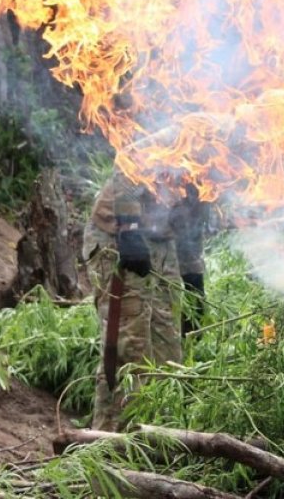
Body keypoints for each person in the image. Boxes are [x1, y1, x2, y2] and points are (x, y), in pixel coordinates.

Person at [83, 165, 208, 431]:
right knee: (130, 347)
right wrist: (128, 228)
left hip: (163, 242)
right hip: (119, 239)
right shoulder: (188, 126)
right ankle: (111, 443)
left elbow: (192, 219)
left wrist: (194, 276)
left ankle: (157, 438)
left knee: (169, 352)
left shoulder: (222, 155)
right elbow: (130, 163)